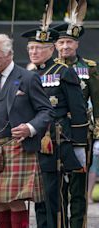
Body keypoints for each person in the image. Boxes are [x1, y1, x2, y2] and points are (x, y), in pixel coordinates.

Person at [0, 34, 53, 228]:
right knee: (1, 201)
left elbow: (46, 110)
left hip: (18, 146)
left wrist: (30, 128)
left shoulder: (28, 78)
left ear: (9, 54)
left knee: (15, 200)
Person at [21, 22, 88, 228]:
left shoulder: (64, 72)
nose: (34, 51)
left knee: (52, 195)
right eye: (30, 48)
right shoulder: (26, 74)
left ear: (51, 49)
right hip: (31, 142)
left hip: (55, 141)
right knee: (37, 196)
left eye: (39, 48)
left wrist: (78, 146)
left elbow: (78, 110)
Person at [53, 21, 98, 228]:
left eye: (69, 42)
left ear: (77, 44)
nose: (65, 47)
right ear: (55, 45)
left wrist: (97, 135)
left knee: (78, 187)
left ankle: (78, 225)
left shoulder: (89, 69)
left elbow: (97, 102)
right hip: (56, 135)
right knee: (58, 185)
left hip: (82, 136)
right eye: (61, 42)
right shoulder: (49, 68)